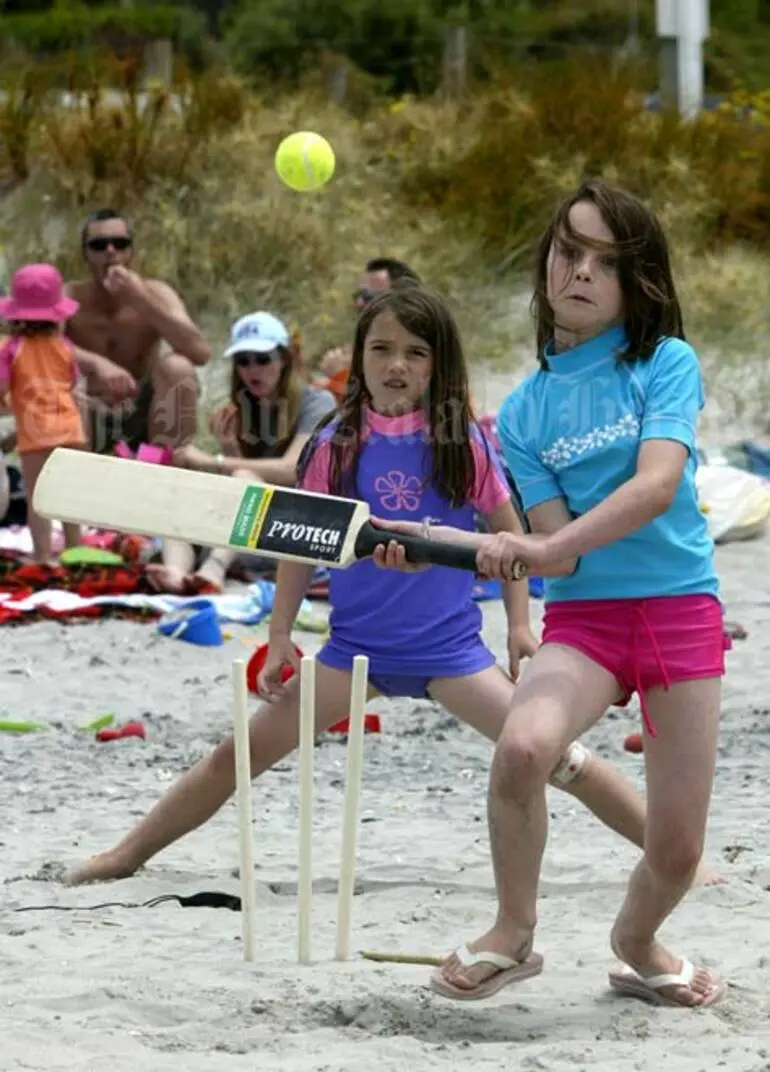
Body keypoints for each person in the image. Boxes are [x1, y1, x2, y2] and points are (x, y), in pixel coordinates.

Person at [64, 284, 707, 894]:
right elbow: (297, 546)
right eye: (381, 349)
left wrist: (517, 627)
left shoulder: (462, 443)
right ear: (360, 357)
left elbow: (510, 540)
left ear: (438, 365)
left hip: (451, 655)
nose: (396, 365)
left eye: (415, 352)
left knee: (560, 759)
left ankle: (675, 860)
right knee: (240, 753)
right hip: (352, 652)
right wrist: (282, 635)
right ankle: (127, 854)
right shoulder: (334, 446)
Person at [377, 180, 729, 1008]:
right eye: (569, 251)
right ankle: (514, 931)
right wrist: (446, 551)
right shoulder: (529, 408)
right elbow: (551, 554)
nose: (580, 272)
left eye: (604, 262)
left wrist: (541, 547)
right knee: (524, 748)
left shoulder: (664, 365)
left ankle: (636, 942)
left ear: (636, 281)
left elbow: (653, 486)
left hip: (680, 609)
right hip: (587, 623)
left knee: (675, 852)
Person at [148, 311, 336, 593]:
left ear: (284, 360)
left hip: (297, 528)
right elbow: (245, 480)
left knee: (243, 476)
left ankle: (215, 567)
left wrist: (215, 459)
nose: (252, 370)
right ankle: (177, 574)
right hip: (250, 530)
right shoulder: (246, 405)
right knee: (185, 497)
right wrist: (229, 445)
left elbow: (293, 469)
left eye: (262, 360)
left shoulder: (318, 402)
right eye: (243, 361)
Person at [64, 208, 211, 456]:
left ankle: (165, 467)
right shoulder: (68, 297)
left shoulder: (156, 293)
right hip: (90, 408)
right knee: (64, 381)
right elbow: (40, 347)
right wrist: (98, 364)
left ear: (132, 252)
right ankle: (78, 476)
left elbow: (200, 353)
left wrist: (139, 298)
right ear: (85, 255)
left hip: (146, 413)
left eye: (120, 244)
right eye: (99, 245)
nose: (110, 251)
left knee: (178, 368)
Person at [0, 264, 85, 562]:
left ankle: (43, 555)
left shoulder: (11, 348)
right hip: (71, 428)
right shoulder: (64, 346)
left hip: (35, 433)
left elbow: (2, 386)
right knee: (69, 496)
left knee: (40, 498)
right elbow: (71, 382)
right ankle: (75, 552)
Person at [317, 257, 421, 398]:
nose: (359, 303)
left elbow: (392, 406)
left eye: (368, 297)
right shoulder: (362, 345)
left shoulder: (423, 351)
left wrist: (340, 377)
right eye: (358, 296)